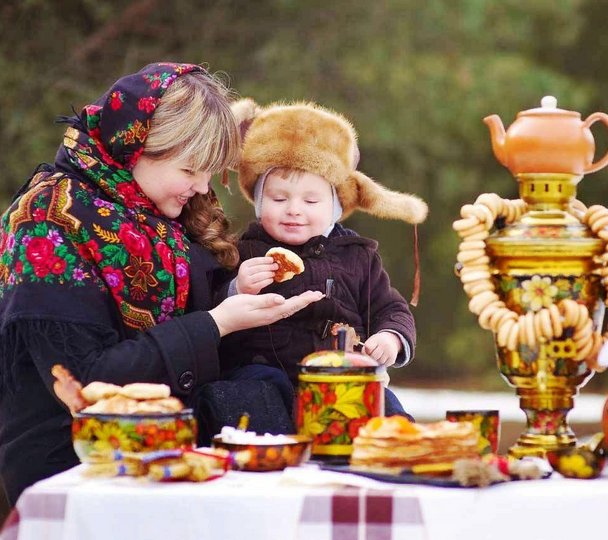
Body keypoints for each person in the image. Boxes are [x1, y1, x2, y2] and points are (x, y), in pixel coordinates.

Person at [0, 63, 322, 505]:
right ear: (138, 146)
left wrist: (237, 301)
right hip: (77, 467)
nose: (203, 186)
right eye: (191, 169)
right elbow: (80, 380)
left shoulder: (156, 210)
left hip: (169, 454)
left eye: (210, 171)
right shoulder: (50, 219)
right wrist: (214, 325)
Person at [220, 101, 428, 417]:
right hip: (265, 374)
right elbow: (210, 308)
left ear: (334, 207)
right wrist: (236, 288)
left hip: (342, 374)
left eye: (311, 200)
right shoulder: (242, 252)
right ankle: (272, 450)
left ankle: (395, 451)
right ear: (260, 203)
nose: (294, 209)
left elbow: (390, 307)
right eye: (278, 198)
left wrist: (391, 337)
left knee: (387, 409)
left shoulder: (357, 256)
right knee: (247, 396)